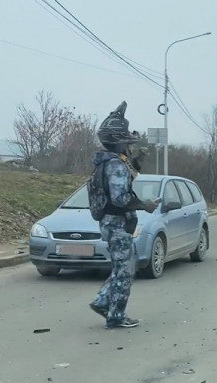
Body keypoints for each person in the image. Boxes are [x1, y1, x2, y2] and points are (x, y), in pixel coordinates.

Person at [87, 102, 159, 329]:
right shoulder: (115, 165)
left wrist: (137, 160)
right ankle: (116, 316)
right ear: (118, 141)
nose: (130, 146)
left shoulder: (108, 163)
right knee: (125, 272)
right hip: (118, 224)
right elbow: (119, 197)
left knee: (126, 266)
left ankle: (102, 301)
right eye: (127, 142)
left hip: (113, 224)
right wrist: (143, 205)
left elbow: (124, 178)